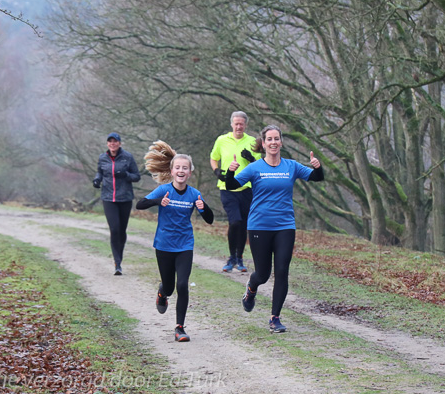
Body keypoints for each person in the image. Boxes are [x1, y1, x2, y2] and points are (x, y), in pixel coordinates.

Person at [221, 125, 324, 333]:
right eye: (270, 139)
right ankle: (251, 288)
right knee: (263, 274)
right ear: (264, 143)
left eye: (277, 138)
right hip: (259, 225)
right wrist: (230, 173)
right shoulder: (254, 168)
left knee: (282, 271)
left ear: (281, 142)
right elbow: (232, 186)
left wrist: (318, 166)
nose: (274, 142)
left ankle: (274, 318)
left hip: (285, 226)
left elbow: (317, 177)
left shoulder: (291, 166)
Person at [137, 141, 214, 342]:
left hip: (184, 245)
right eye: (178, 167)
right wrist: (157, 202)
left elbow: (210, 219)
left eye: (185, 168)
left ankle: (180, 327)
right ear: (172, 171)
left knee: (182, 285)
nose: (181, 171)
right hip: (163, 244)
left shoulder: (194, 194)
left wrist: (203, 208)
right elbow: (140, 204)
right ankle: (163, 292)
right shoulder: (163, 190)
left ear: (189, 173)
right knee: (170, 286)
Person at [210, 111, 260, 273]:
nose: (239, 126)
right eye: (236, 123)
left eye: (242, 124)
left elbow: (260, 164)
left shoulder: (252, 141)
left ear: (245, 125)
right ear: (231, 124)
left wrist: (251, 159)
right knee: (235, 222)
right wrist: (216, 170)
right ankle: (231, 257)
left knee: (244, 224)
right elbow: (213, 157)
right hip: (227, 188)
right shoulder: (221, 140)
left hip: (246, 189)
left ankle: (239, 258)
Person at [92, 132, 141, 275]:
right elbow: (99, 173)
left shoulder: (127, 157)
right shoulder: (103, 158)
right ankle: (117, 262)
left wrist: (126, 175)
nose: (112, 144)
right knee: (114, 229)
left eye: (115, 141)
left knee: (121, 230)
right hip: (108, 198)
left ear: (119, 143)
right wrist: (97, 180)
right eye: (110, 142)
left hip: (124, 198)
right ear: (107, 144)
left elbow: (137, 176)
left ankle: (119, 256)